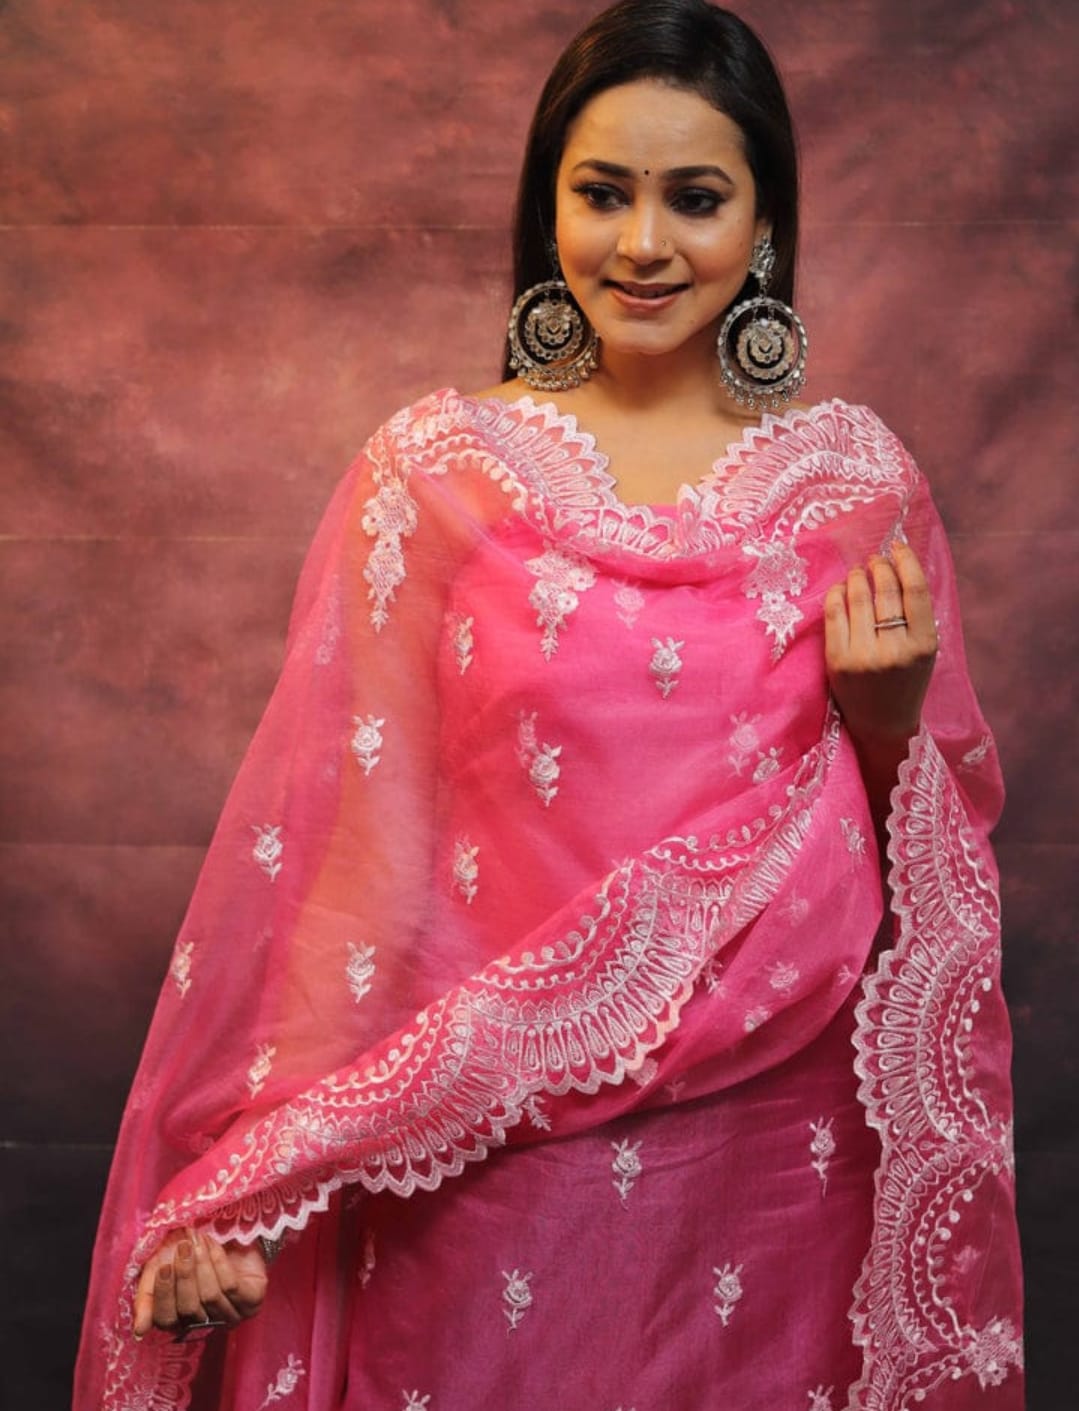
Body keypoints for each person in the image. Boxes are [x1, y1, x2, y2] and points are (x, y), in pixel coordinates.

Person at [75, 2, 1024, 1408]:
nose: (643, 245)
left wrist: (886, 720)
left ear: (764, 224)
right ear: (547, 205)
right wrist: (272, 1167)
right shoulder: (438, 476)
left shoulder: (852, 486)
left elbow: (917, 908)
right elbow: (362, 860)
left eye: (695, 198)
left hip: (767, 1173)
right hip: (483, 1167)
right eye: (601, 192)